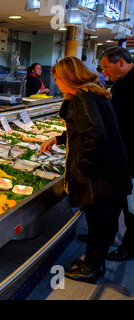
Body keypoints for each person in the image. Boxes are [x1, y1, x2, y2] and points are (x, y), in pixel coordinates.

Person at [39, 56, 132, 283]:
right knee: (100, 223)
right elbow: (87, 130)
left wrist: (81, 166)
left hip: (100, 177)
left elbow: (95, 134)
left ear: (65, 78)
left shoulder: (82, 98)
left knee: (98, 223)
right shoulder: (91, 93)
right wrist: (60, 138)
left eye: (57, 79)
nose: (56, 84)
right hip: (109, 174)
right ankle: (92, 262)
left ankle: (91, 268)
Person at [99, 46, 134, 261]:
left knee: (130, 207)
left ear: (120, 62)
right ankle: (104, 237)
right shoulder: (121, 82)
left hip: (131, 156)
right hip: (120, 155)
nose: (104, 72)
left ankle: (129, 247)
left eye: (106, 67)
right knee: (113, 201)